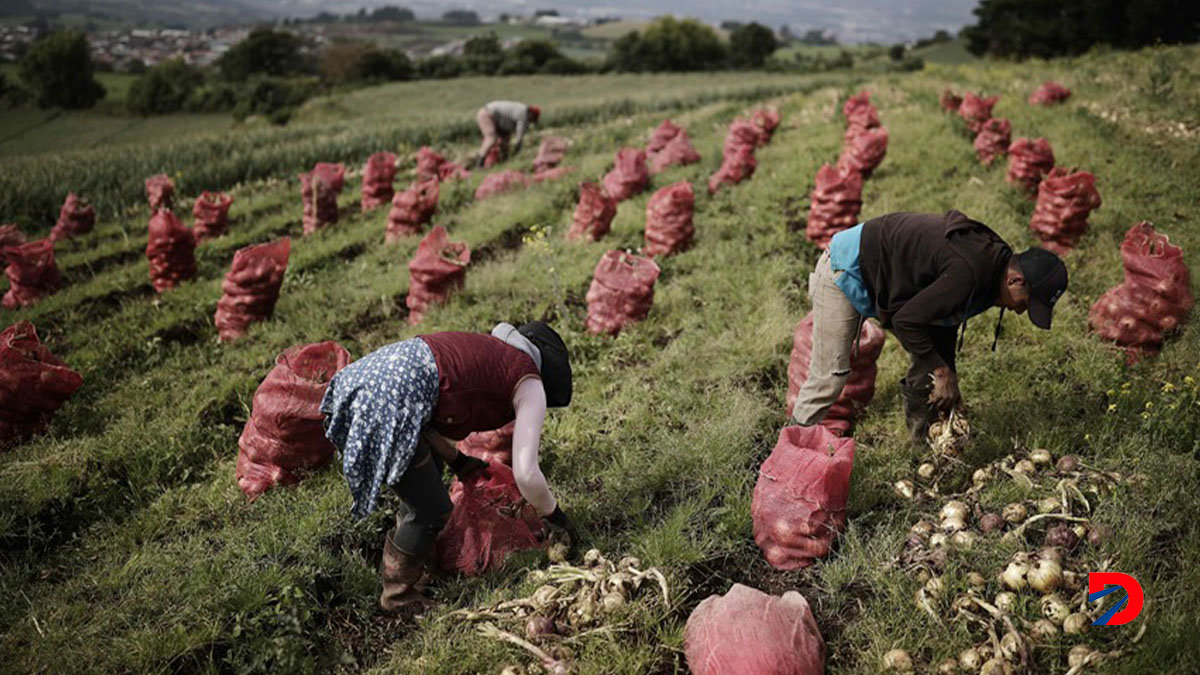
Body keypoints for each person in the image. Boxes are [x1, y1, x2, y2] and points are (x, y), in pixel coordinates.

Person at [319, 321, 578, 612]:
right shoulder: (529, 381)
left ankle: (423, 574)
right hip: (387, 402)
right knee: (431, 510)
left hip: (363, 384)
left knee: (418, 494)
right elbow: (527, 473)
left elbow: (427, 419)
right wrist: (556, 516)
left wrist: (460, 462)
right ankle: (398, 595)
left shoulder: (487, 352)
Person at [791, 210, 1068, 440]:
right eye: (1026, 303)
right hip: (847, 266)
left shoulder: (994, 272)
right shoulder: (970, 273)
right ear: (1015, 281)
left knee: (932, 361)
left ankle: (922, 442)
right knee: (831, 375)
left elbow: (943, 322)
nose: (1020, 311)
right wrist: (943, 371)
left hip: (891, 279)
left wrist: (948, 375)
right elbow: (907, 321)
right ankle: (790, 449)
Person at [475, 100, 541, 168]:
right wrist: (518, 147)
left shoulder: (522, 110)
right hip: (487, 114)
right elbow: (519, 134)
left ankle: (504, 162)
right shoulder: (524, 114)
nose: (530, 122)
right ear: (531, 115)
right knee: (491, 139)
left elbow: (507, 127)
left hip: (496, 119)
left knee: (505, 140)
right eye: (532, 120)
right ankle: (480, 162)